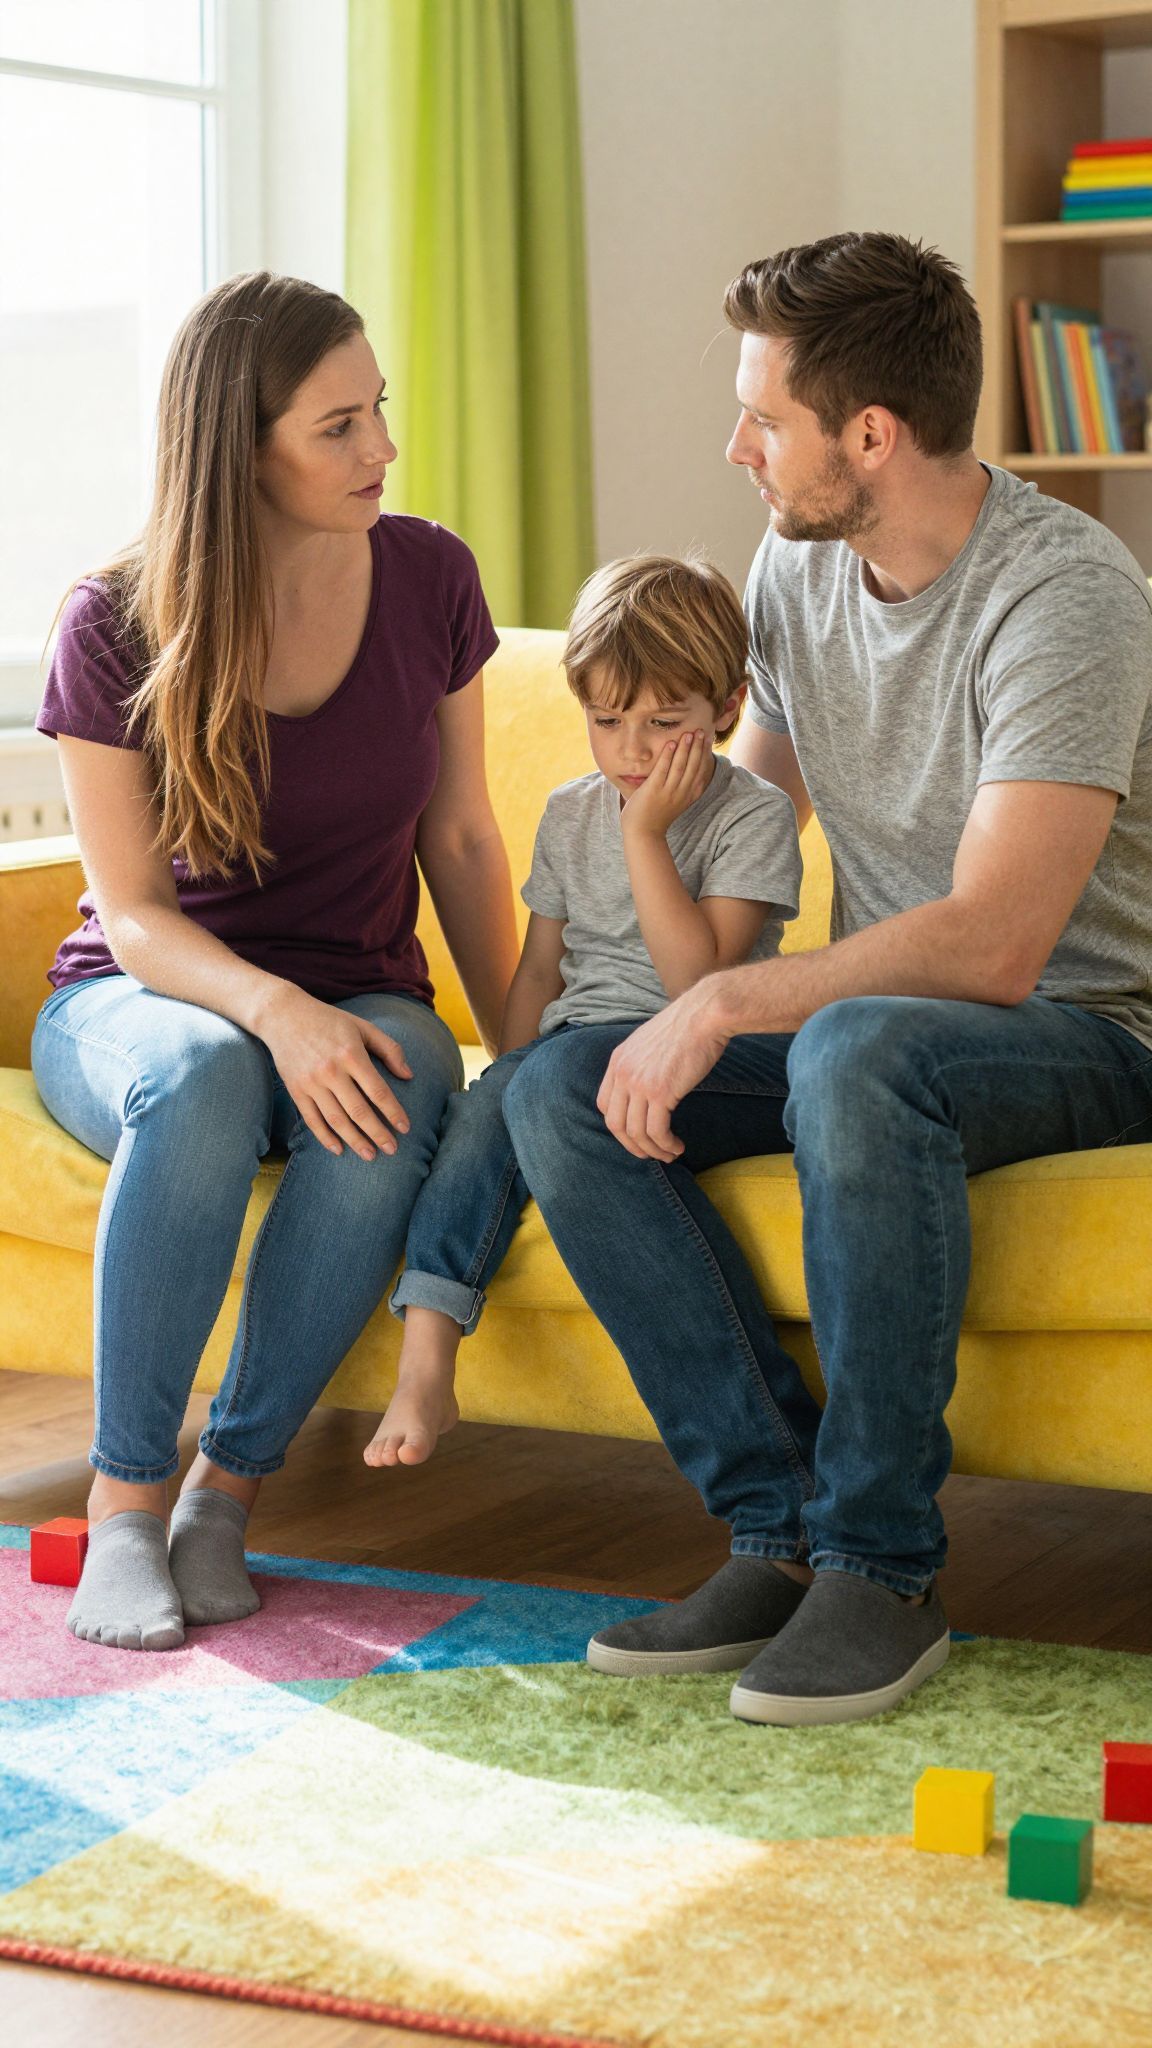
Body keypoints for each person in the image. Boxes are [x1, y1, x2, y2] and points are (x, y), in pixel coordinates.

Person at [494, 232, 1152, 1726]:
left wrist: (721, 1007)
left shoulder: (1069, 598)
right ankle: (778, 1529)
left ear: (871, 435)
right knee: (560, 1089)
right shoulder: (797, 568)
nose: (736, 449)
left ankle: (883, 1568)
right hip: (878, 1031)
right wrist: (651, 939)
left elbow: (998, 944)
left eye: (763, 419)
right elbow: (749, 824)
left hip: (1088, 1033)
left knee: (858, 1051)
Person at [32, 271, 519, 1652]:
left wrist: (526, 1065)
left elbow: (465, 838)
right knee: (201, 1079)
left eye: (380, 414)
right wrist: (273, 1013)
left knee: (399, 1074)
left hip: (360, 982)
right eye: (339, 426)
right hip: (147, 996)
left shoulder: (430, 576)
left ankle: (224, 1495)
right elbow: (131, 915)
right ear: (242, 449)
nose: (382, 451)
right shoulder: (113, 619)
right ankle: (126, 1506)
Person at [363, 554, 803, 1469]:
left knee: (545, 1084)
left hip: (704, 1054)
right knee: (493, 1102)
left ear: (726, 708)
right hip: (571, 1055)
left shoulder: (748, 816)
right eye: (608, 722)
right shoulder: (570, 813)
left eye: (665, 723)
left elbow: (702, 990)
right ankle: (428, 1359)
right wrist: (507, 1074)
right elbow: (538, 971)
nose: (634, 751)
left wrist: (645, 836)